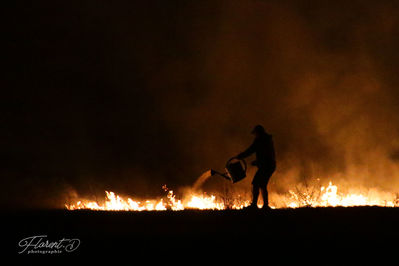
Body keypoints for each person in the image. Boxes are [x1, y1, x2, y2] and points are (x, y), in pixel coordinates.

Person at [236, 125, 276, 210]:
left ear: (258, 133)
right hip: (268, 165)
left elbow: (260, 153)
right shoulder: (265, 140)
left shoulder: (262, 140)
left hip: (267, 165)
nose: (255, 135)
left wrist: (242, 156)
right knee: (261, 184)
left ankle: (256, 205)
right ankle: (263, 205)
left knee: (257, 183)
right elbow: (252, 150)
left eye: (255, 133)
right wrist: (242, 156)